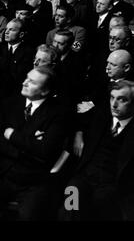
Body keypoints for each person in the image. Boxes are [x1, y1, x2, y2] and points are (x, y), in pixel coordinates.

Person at [0, 66, 70, 220]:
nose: (24, 83)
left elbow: (46, 151)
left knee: (30, 217)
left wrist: (12, 135)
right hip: (5, 173)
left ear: (45, 91)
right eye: (26, 78)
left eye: (32, 82)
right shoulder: (10, 103)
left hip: (34, 180)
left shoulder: (58, 113)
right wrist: (29, 143)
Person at [62, 80, 134, 220]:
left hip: (114, 184)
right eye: (112, 98)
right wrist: (79, 132)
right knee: (71, 193)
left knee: (102, 203)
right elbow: (75, 113)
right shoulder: (100, 115)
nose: (114, 104)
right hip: (85, 177)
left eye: (122, 100)